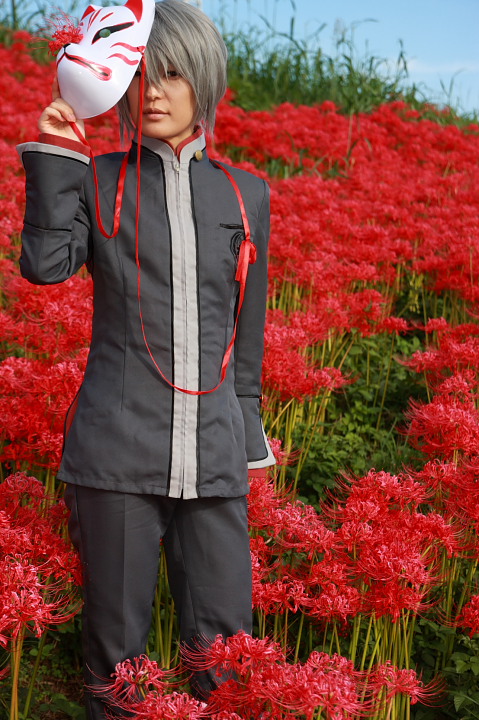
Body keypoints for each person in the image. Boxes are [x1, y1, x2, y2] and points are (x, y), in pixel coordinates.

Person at [17, 1, 275, 717]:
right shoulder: (97, 179)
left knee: (227, 653)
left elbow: (246, 332)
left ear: (204, 80)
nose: (153, 92)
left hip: (215, 455)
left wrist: (247, 436)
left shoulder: (246, 193)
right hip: (113, 454)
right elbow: (45, 267)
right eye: (138, 76)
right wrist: (58, 160)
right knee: (117, 658)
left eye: (171, 74)